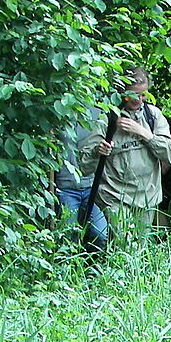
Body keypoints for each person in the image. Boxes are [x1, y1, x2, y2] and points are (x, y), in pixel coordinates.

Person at [80, 67, 171, 244]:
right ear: (122, 91)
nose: (139, 100)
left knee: (140, 250)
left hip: (147, 195)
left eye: (143, 95)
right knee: (124, 246)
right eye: (134, 95)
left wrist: (145, 134)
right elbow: (84, 166)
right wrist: (98, 151)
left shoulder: (153, 116)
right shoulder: (107, 117)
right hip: (115, 195)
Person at [55, 106, 110, 251]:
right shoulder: (57, 112)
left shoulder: (97, 114)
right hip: (65, 187)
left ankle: (93, 269)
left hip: (91, 187)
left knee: (101, 234)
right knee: (68, 237)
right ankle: (68, 270)